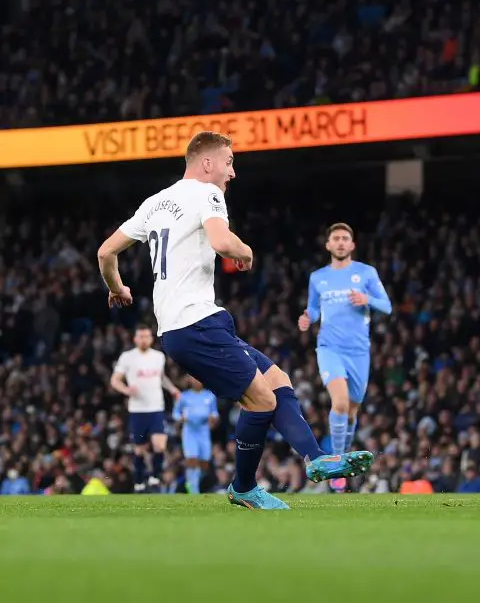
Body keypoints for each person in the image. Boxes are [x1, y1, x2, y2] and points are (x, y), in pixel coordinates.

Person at [96, 131, 374, 510]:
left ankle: (317, 458)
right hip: (194, 325)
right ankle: (243, 487)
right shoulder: (207, 194)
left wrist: (118, 288)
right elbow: (222, 242)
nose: (232, 173)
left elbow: (105, 252)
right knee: (260, 400)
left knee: (277, 381)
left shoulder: (155, 203)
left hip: (193, 324)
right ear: (206, 162)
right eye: (228, 162)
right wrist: (246, 251)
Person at [298, 222, 392, 491]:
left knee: (351, 411)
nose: (340, 242)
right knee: (339, 403)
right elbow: (314, 309)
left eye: (345, 239)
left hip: (359, 352)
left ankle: (342, 461)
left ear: (352, 245)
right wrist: (308, 318)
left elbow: (386, 305)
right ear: (328, 245)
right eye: (335, 238)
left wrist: (367, 299)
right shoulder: (318, 277)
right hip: (329, 348)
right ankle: (338, 465)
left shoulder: (366, 273)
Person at [110, 324, 180, 492]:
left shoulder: (158, 357)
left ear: (151, 338)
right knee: (140, 449)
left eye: (146, 336)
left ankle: (155, 478)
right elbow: (115, 380)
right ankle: (139, 481)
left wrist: (173, 389)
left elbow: (161, 377)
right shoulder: (127, 357)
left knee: (160, 445)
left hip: (156, 407)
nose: (143, 339)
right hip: (138, 410)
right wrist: (126, 390)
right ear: (135, 339)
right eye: (140, 336)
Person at [173, 376, 218, 494]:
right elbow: (175, 413)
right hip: (190, 430)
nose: (196, 381)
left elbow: (215, 413)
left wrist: (213, 419)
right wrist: (181, 418)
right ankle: (193, 488)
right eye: (194, 379)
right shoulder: (184, 396)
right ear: (190, 381)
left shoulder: (210, 396)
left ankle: (193, 481)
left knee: (204, 462)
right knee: (192, 459)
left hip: (203, 430)